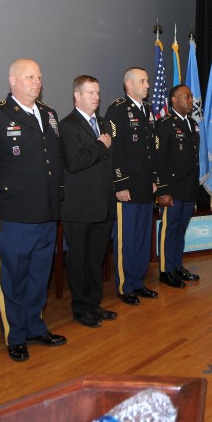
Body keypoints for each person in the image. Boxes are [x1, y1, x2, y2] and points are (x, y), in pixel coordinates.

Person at [0, 59, 67, 362]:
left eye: (39, 76)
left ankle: (35, 326)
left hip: (46, 212)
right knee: (12, 276)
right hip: (11, 214)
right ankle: (15, 335)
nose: (36, 82)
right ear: (13, 81)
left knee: (38, 275)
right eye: (29, 77)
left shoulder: (49, 114)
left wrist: (58, 201)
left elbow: (54, 162)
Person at [59, 75, 117, 327]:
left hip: (102, 204)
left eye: (98, 93)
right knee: (79, 261)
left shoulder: (102, 122)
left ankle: (94, 304)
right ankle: (81, 309)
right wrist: (100, 145)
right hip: (80, 207)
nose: (96, 97)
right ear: (77, 96)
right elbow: (74, 163)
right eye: (91, 93)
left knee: (95, 259)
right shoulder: (68, 125)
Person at [105, 67, 158, 305]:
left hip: (146, 185)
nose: (147, 85)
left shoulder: (147, 110)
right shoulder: (117, 109)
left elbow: (151, 149)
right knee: (126, 239)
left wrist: (155, 178)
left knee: (142, 237)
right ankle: (125, 285)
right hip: (127, 187)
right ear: (129, 84)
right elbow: (115, 151)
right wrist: (120, 183)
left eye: (147, 81)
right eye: (143, 81)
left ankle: (138, 281)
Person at [154, 84, 201, 288]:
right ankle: (165, 270)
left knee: (180, 229)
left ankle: (177, 265)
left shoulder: (192, 123)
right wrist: (163, 190)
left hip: (188, 188)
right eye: (186, 97)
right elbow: (158, 159)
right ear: (174, 100)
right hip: (171, 189)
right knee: (168, 229)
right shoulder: (165, 124)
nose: (191, 100)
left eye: (191, 97)